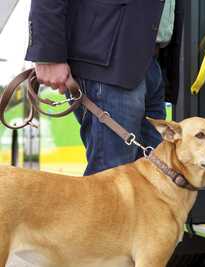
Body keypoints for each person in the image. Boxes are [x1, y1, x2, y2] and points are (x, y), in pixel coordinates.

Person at [25, 0, 184, 175]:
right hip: (108, 59)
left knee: (154, 184)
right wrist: (48, 54)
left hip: (150, 60)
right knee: (111, 185)